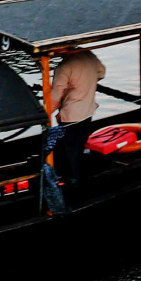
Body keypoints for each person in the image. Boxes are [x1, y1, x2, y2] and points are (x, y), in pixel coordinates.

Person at [49, 47, 107, 182]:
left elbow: (55, 98)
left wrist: (44, 113)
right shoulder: (87, 53)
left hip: (71, 116)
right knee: (79, 145)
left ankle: (73, 180)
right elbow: (101, 72)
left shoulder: (64, 67)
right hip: (88, 111)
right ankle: (78, 175)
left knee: (69, 150)